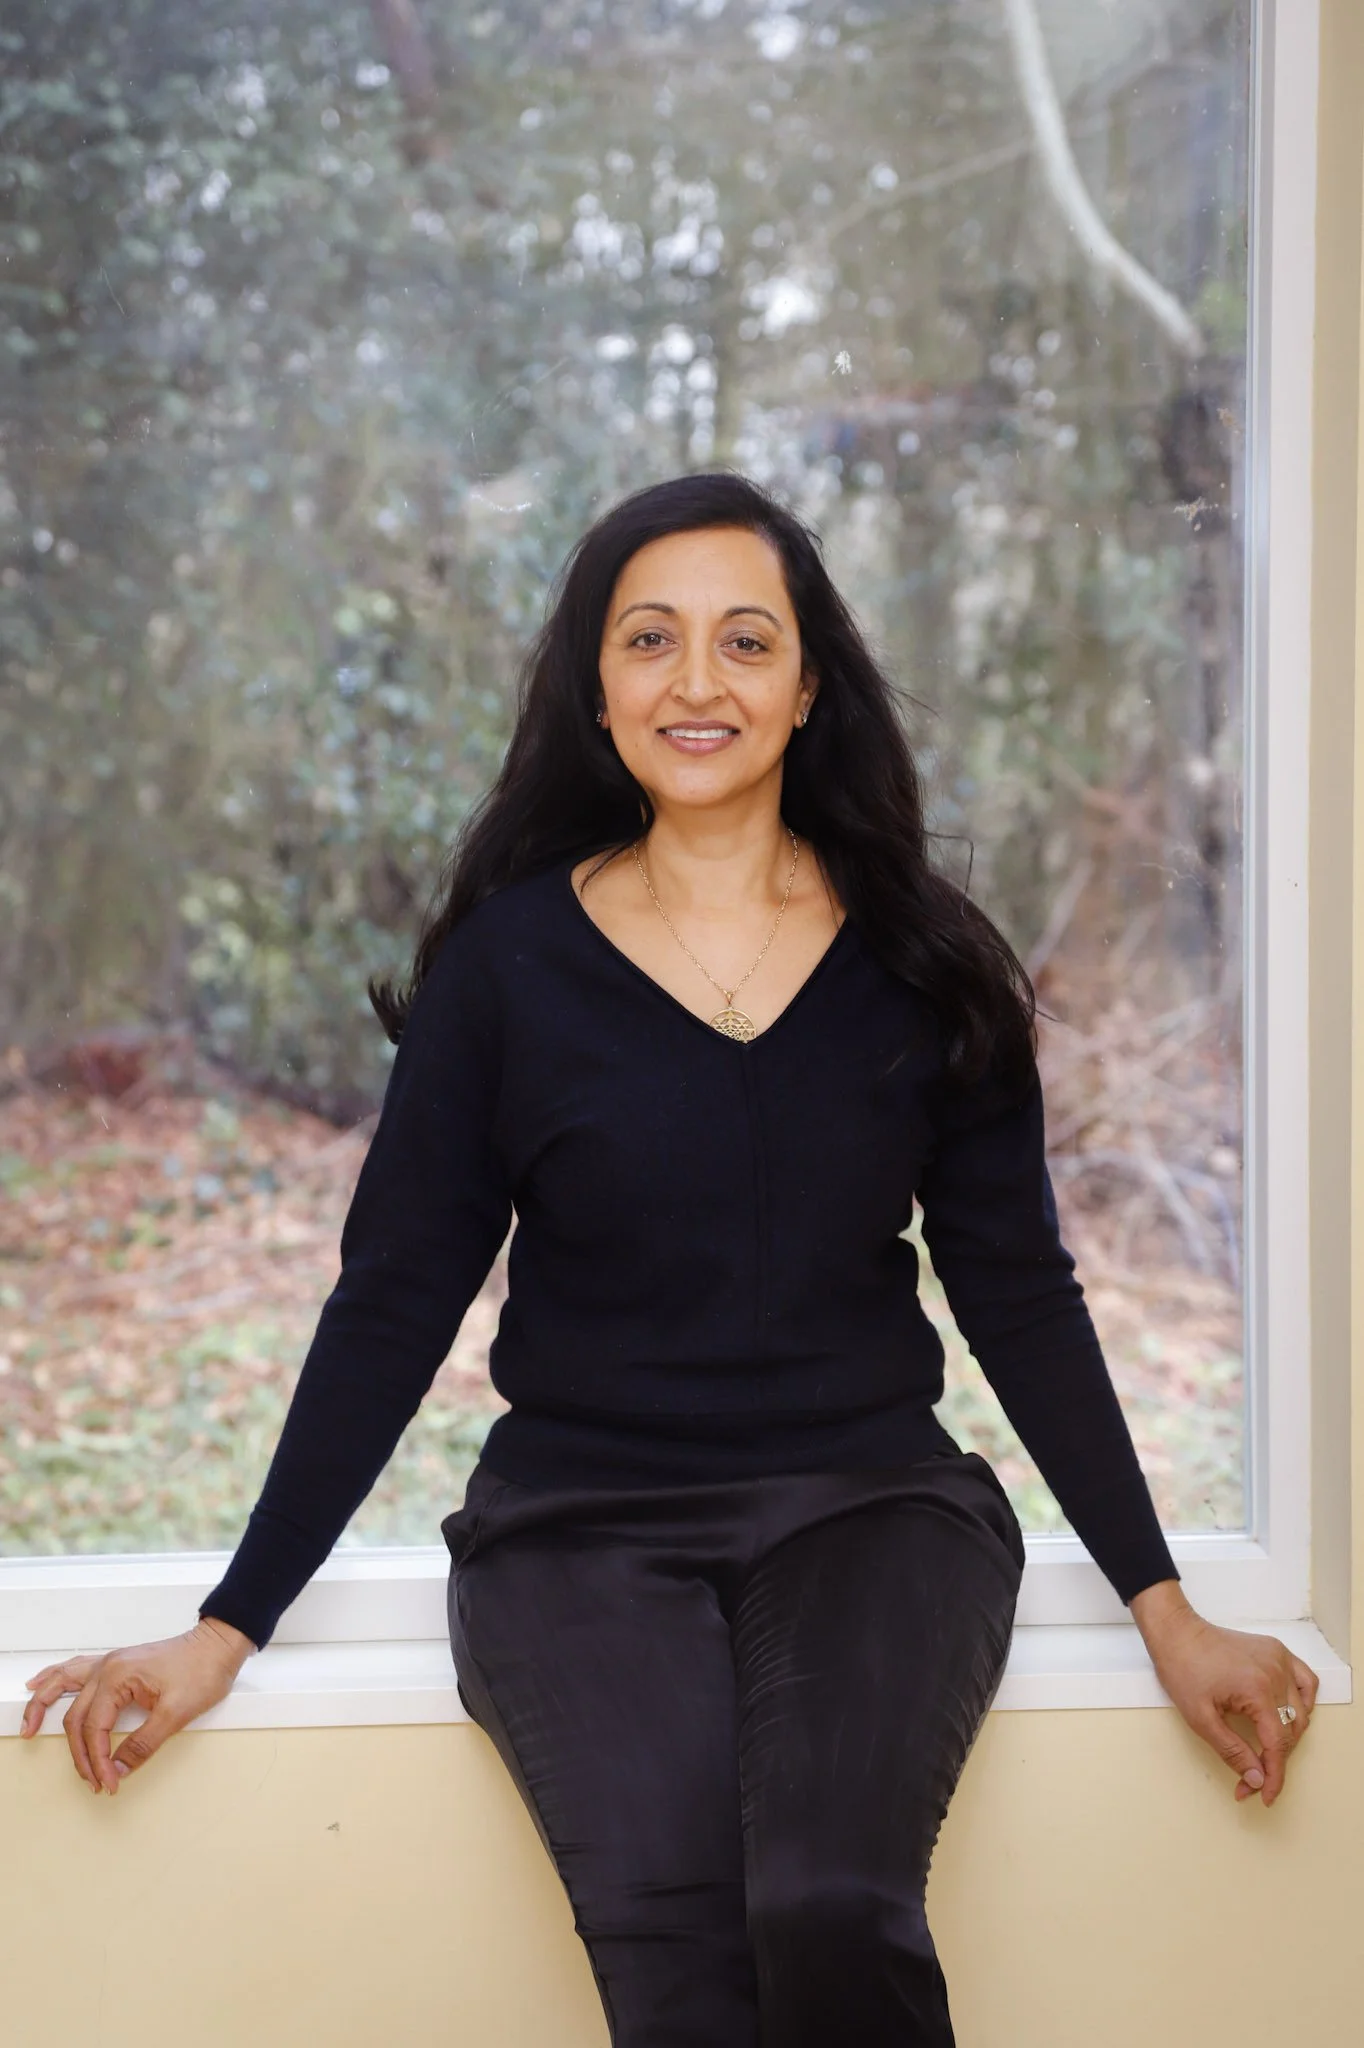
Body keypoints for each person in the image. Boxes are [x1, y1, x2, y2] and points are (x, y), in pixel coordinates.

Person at [22, 472, 1317, 2046]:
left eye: (745, 642)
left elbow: (1023, 1296)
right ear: (597, 685)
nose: (697, 682)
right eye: (651, 641)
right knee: (682, 1953)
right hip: (579, 1531)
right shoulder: (505, 972)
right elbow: (392, 1305)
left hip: (873, 1511)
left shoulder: (925, 960)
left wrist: (1164, 1604)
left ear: (807, 685)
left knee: (830, 1905)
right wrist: (228, 1625)